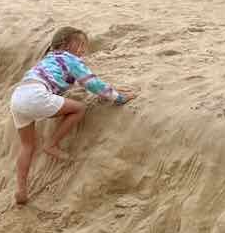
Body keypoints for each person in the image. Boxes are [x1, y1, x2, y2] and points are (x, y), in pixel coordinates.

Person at [10, 26, 133, 207]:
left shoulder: (49, 59)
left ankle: (21, 190)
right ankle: (52, 143)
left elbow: (73, 83)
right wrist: (119, 97)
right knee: (79, 109)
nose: (83, 49)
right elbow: (92, 83)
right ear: (66, 44)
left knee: (27, 145)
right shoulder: (71, 60)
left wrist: (112, 87)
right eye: (80, 44)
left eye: (85, 46)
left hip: (17, 97)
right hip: (35, 97)